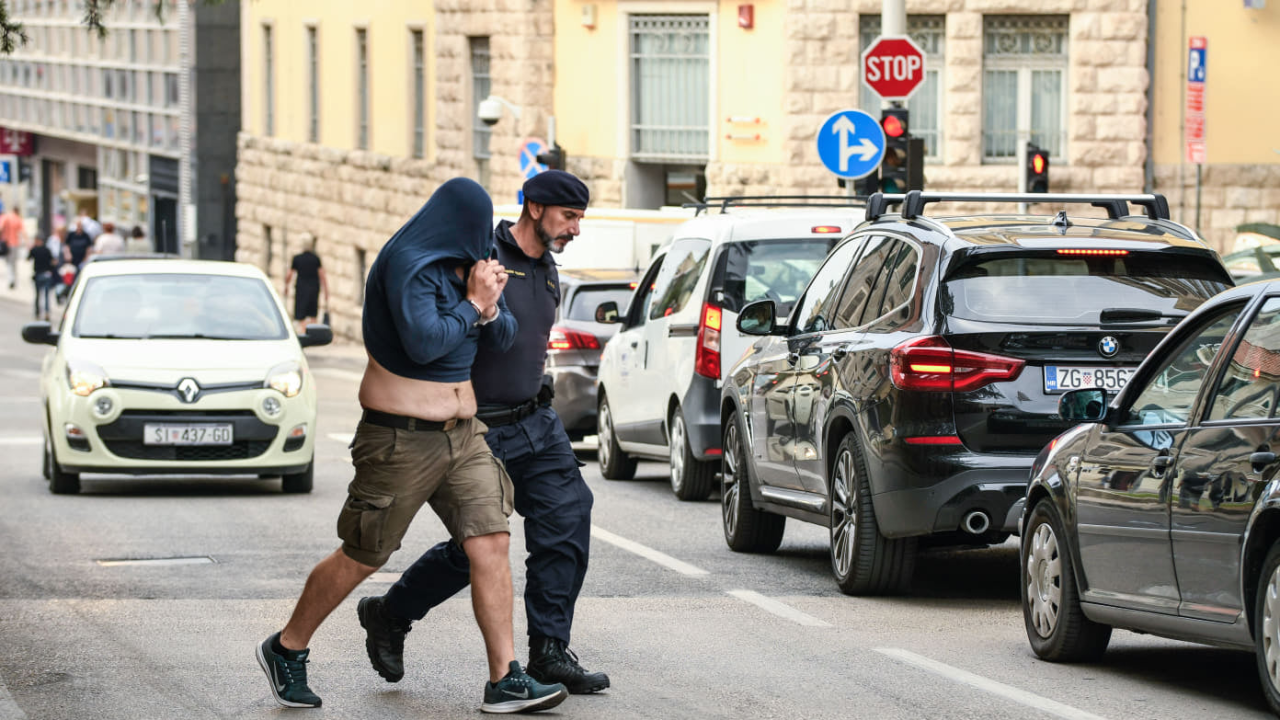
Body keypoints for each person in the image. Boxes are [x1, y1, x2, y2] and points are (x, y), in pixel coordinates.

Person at [254, 178, 569, 714]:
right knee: (365, 553)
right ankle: (286, 647)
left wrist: (491, 307)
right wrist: (475, 303)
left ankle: (505, 679)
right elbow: (425, 343)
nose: (482, 243)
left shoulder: (472, 269)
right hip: (399, 438)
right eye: (474, 229)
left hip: (463, 436)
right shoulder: (407, 265)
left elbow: (505, 336)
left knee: (490, 540)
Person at [358, 170, 609, 696]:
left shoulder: (546, 267)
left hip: (537, 421)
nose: (576, 229)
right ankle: (391, 612)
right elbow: (441, 330)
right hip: (480, 425)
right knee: (475, 547)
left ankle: (548, 652)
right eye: (569, 217)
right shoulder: (480, 254)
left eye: (580, 218)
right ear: (535, 208)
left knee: (567, 517)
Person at [284, 233, 329, 333]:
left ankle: (305, 332)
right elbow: (322, 276)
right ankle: (313, 333)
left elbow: (289, 275)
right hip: (313, 290)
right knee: (312, 314)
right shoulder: (316, 259)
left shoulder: (297, 259)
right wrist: (326, 292)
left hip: (301, 290)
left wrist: (286, 286)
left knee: (301, 314)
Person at [28, 234, 54, 321]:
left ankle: (37, 312)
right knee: (46, 295)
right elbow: (52, 261)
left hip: (38, 274)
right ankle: (47, 312)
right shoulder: (47, 250)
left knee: (38, 295)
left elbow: (28, 258)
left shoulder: (34, 250)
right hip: (47, 274)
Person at [1, 205, 27, 289]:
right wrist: (27, 243)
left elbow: (1, 227)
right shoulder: (18, 219)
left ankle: (11, 279)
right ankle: (13, 280)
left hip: (6, 243)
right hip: (15, 243)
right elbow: (23, 232)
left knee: (9, 263)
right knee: (13, 263)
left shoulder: (6, 217)